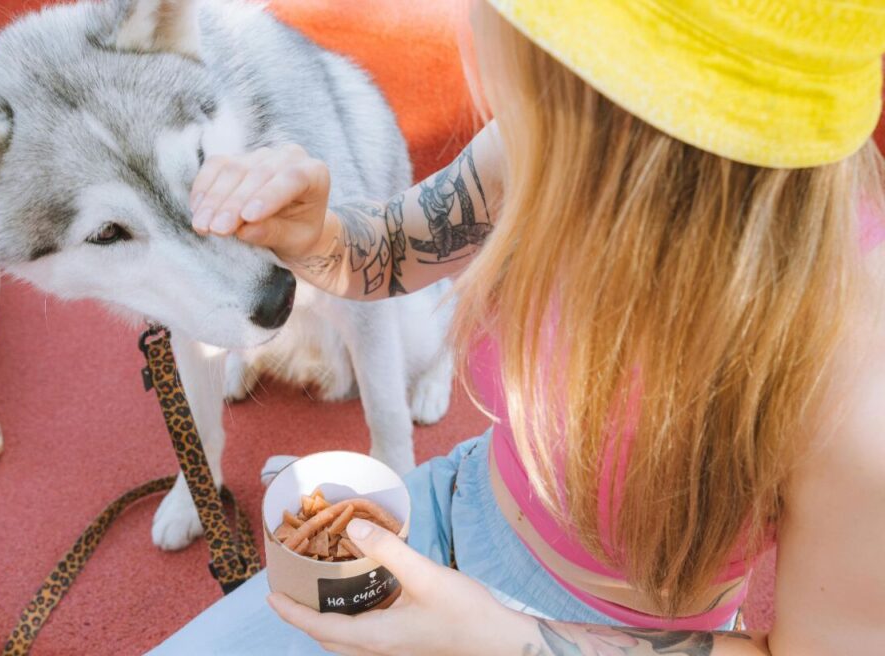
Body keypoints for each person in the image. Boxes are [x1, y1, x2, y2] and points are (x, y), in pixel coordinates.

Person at [164, 1, 885, 654]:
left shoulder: (854, 372)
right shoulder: (559, 140)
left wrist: (496, 641)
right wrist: (309, 233)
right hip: (451, 511)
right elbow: (387, 250)